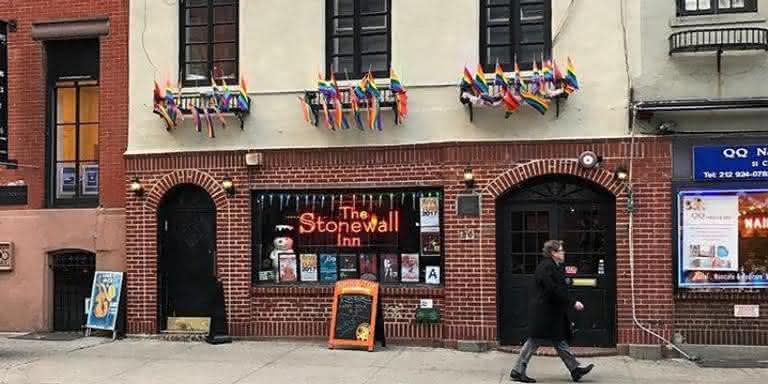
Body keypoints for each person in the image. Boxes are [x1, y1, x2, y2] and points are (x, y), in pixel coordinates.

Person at [510, 240, 594, 383]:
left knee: (559, 340)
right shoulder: (547, 267)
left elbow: (558, 289)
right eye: (561, 250)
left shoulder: (554, 266)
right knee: (534, 341)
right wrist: (572, 302)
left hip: (550, 312)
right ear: (553, 253)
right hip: (544, 313)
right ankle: (517, 371)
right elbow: (553, 289)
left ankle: (575, 369)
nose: (563, 252)